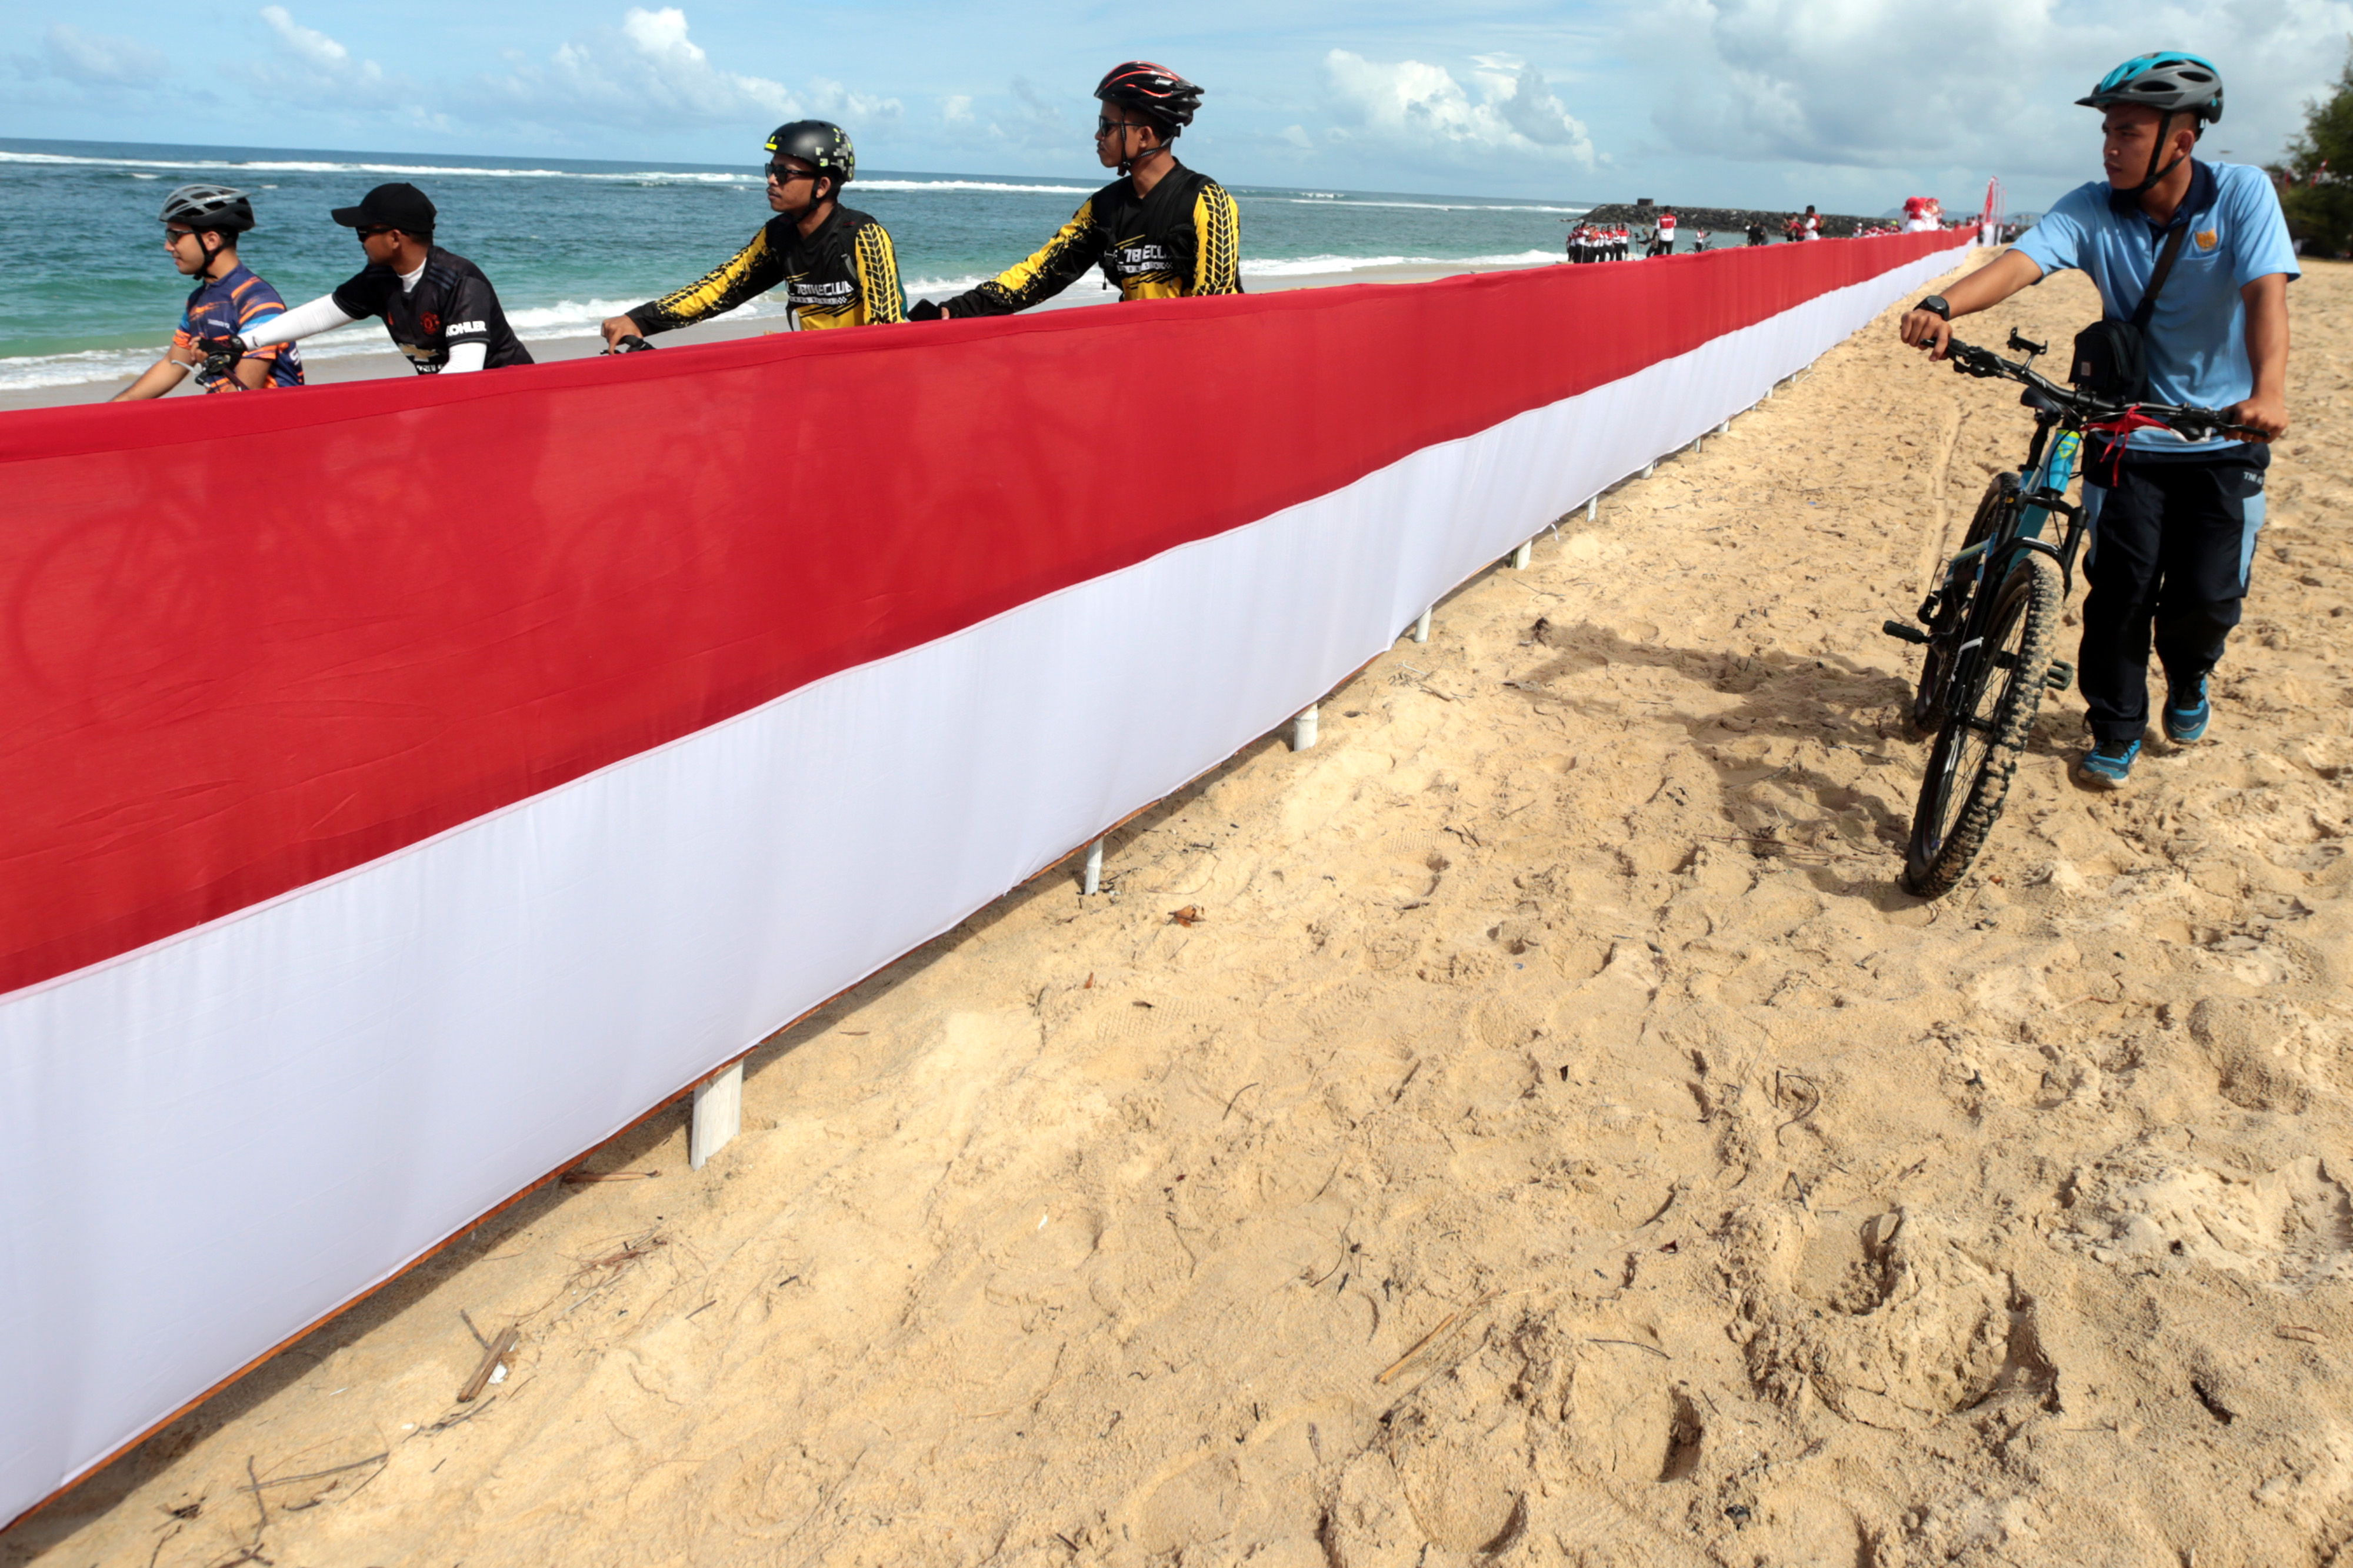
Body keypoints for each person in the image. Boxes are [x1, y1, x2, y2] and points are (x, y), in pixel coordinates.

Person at [1897, 51, 2294, 789]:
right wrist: (1944, 305)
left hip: (2221, 432)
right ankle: (2113, 725)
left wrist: (2267, 391)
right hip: (2122, 428)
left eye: (2130, 133)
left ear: (2182, 139)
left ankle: (2188, 679)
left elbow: (2266, 295)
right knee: (2118, 591)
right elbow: (2021, 263)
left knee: (2206, 600)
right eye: (2108, 132)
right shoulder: (2089, 206)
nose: (2111, 147)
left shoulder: (2240, 194)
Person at [912, 63, 1239, 319]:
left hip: (1198, 365)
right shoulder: (1103, 208)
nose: (1098, 136)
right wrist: (954, 311)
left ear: (1145, 135)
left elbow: (1215, 305)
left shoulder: (1206, 200)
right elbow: (1040, 274)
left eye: (1108, 126)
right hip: (1138, 356)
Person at [603, 121, 903, 346]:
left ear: (822, 186)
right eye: (770, 170)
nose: (772, 180)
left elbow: (886, 329)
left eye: (784, 173)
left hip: (869, 372)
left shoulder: (862, 235)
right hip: (816, 367)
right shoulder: (779, 235)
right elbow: (720, 288)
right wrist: (638, 319)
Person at [237, 184, 531, 375]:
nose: (360, 240)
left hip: (511, 399)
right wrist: (241, 343)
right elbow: (321, 315)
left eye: (364, 232)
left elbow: (465, 367)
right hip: (453, 399)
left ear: (394, 238)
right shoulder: (380, 279)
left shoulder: (460, 282)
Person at [112, 184, 303, 400]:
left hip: (273, 422)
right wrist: (111, 409)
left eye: (175, 236)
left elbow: (245, 390)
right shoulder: (199, 299)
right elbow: (172, 365)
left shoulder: (257, 300)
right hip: (229, 415)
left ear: (211, 240)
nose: (168, 246)